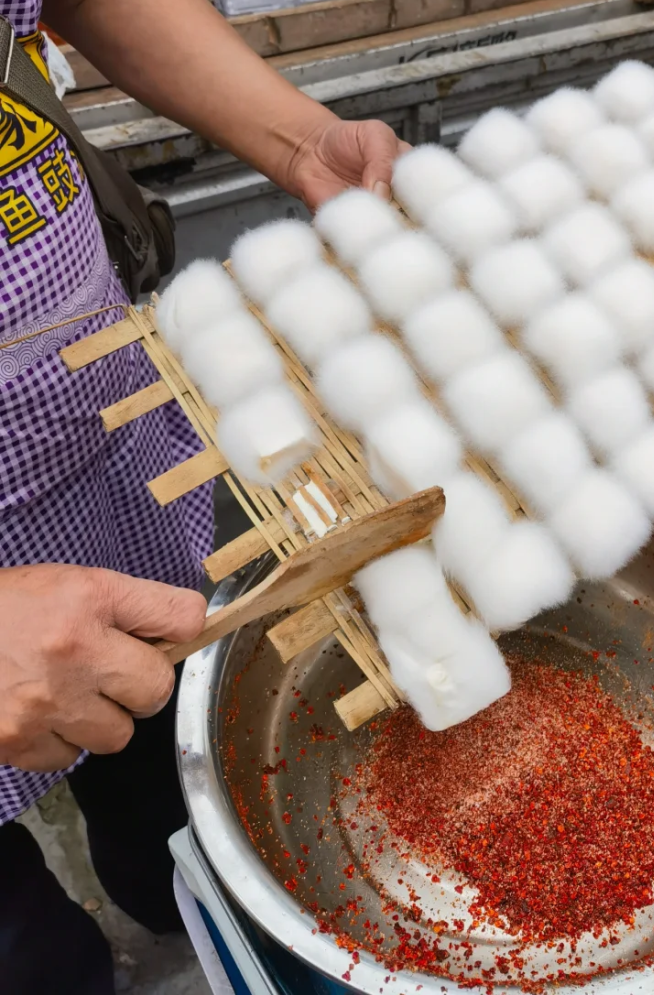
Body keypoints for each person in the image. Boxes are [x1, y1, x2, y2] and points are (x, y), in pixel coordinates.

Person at [0, 1, 407, 991]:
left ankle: (166, 899)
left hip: (107, 475)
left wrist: (300, 140)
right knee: (27, 957)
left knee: (162, 779)